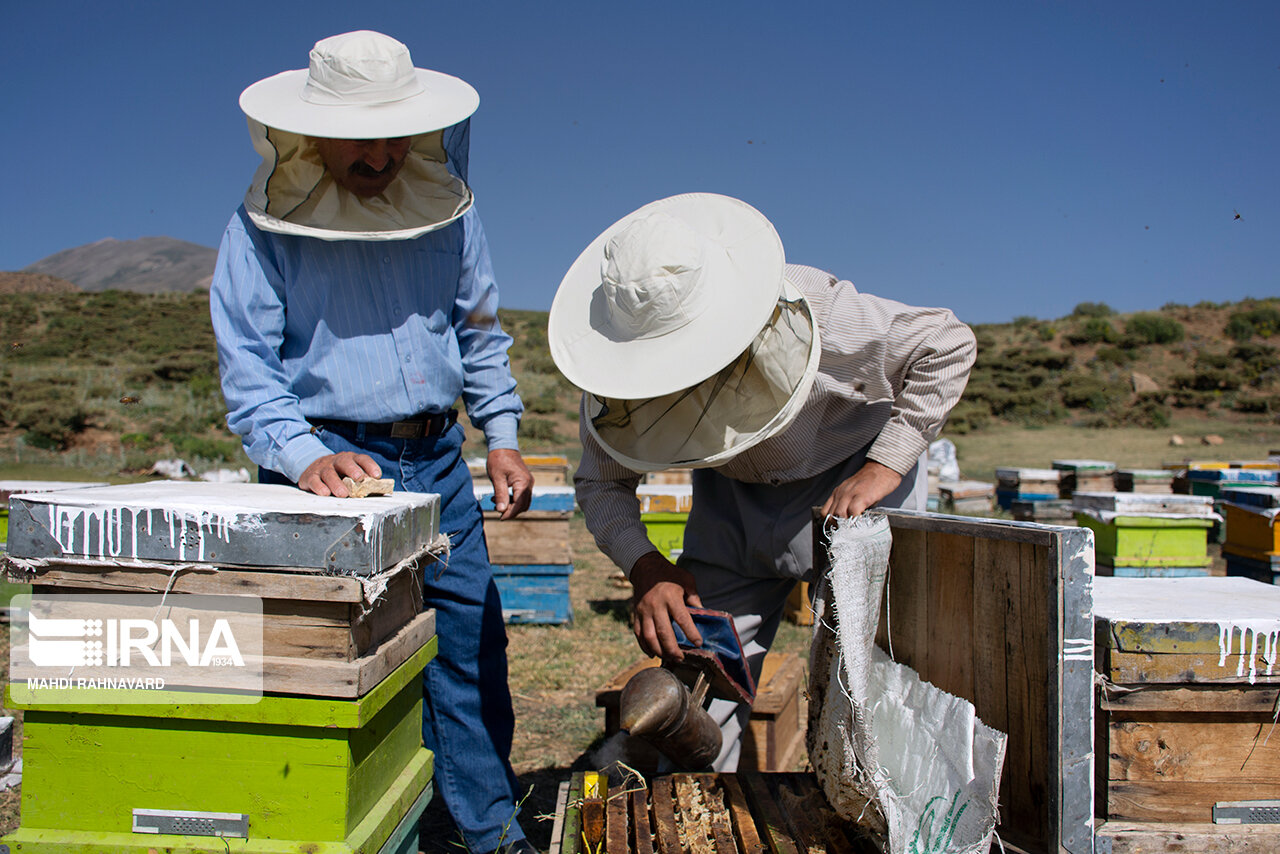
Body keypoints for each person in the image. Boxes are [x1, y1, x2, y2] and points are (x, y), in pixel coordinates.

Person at [209, 31, 536, 854]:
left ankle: (483, 830)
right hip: (328, 470)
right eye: (361, 135)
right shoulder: (261, 231)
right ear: (310, 134)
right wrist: (301, 452)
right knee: (347, 670)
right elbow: (248, 365)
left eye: (396, 133)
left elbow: (480, 330)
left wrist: (500, 435)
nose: (382, 153)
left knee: (470, 643)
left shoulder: (451, 215)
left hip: (438, 461)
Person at [548, 192, 977, 770]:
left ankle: (875, 807)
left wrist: (886, 464)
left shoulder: (815, 307)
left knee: (872, 673)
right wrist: (646, 567)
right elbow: (601, 483)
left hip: (850, 483)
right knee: (699, 669)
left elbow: (944, 344)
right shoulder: (611, 372)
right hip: (731, 504)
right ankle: (685, 808)